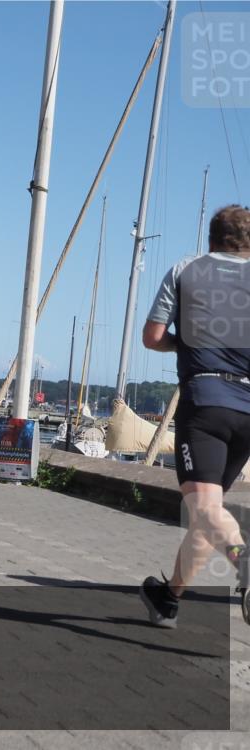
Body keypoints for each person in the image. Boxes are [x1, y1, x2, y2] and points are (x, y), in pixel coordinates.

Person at [139, 204, 250, 628]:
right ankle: (168, 599)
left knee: (204, 508)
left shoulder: (186, 268)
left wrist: (183, 344)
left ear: (212, 239)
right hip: (247, 410)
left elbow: (151, 337)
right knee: (209, 511)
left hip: (206, 400)